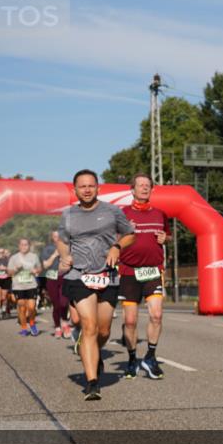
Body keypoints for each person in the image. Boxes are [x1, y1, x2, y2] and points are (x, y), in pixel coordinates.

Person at [58, 169, 135, 401]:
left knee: (103, 330)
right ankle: (92, 382)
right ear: (75, 190)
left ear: (98, 188)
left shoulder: (112, 211)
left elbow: (130, 234)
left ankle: (95, 352)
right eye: (82, 186)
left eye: (91, 185)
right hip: (79, 275)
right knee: (88, 326)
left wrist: (117, 247)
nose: (87, 189)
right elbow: (63, 241)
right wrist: (64, 256)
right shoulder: (68, 214)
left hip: (107, 275)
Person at [117, 172, 169, 380]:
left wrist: (166, 238)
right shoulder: (122, 213)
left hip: (153, 271)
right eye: (140, 185)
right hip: (129, 272)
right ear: (132, 189)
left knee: (156, 315)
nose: (145, 188)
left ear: (152, 189)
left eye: (148, 185)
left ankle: (150, 356)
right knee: (130, 321)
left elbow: (167, 236)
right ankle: (131, 358)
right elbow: (112, 239)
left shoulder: (160, 214)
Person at [7, 238, 42, 336]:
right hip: (18, 286)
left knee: (31, 307)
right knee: (22, 308)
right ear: (19, 246)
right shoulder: (14, 258)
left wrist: (37, 271)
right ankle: (23, 328)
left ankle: (32, 323)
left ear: (29, 246)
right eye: (22, 244)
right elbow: (9, 273)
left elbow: (39, 268)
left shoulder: (34, 257)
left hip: (31, 285)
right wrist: (16, 268)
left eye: (26, 244)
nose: (24, 246)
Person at [41, 230, 71, 338]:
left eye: (59, 236)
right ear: (52, 238)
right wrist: (54, 255)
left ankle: (65, 322)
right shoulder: (47, 249)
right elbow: (45, 265)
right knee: (56, 305)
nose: (57, 238)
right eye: (55, 236)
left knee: (64, 302)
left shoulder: (68, 248)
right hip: (52, 277)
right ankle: (58, 327)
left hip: (64, 276)